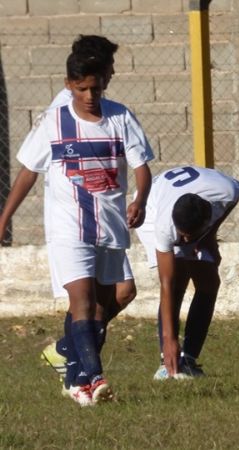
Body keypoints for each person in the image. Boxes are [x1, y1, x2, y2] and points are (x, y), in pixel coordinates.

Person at [0, 48, 154, 405]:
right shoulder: (53, 121)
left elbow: (142, 165)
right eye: (82, 89)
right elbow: (28, 172)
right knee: (82, 303)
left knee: (118, 296)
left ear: (103, 85)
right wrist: (4, 217)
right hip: (68, 227)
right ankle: (95, 379)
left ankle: (70, 369)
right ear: (69, 85)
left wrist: (140, 199)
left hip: (110, 223)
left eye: (96, 89)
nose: (89, 97)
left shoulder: (120, 117)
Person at [37, 35, 138, 383]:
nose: (112, 74)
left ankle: (69, 350)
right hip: (76, 217)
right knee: (87, 298)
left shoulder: (111, 111)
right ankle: (84, 373)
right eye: (110, 66)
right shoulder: (63, 110)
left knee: (119, 293)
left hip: (106, 216)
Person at [135, 166, 239, 380]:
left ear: (206, 221)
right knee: (177, 282)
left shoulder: (228, 191)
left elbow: (231, 201)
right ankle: (166, 363)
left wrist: (209, 237)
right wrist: (170, 340)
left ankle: (189, 359)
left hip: (194, 203)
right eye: (181, 237)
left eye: (188, 237)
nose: (183, 242)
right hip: (151, 207)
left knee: (209, 282)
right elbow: (166, 283)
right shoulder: (165, 227)